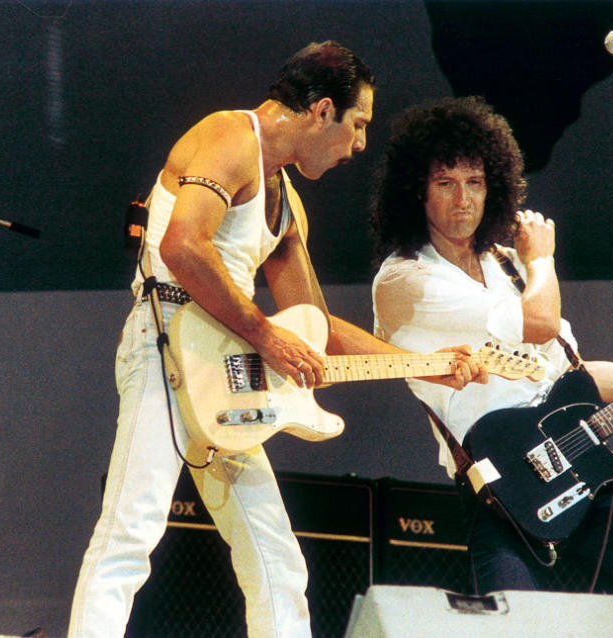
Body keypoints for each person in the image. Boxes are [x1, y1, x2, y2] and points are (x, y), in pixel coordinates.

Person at [68, 43, 482, 638]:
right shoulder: (229, 135)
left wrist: (427, 365)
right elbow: (180, 245)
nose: (360, 145)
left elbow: (312, 324)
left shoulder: (285, 201)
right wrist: (266, 336)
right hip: (163, 345)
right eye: (357, 124)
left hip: (226, 367)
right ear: (321, 111)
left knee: (276, 560)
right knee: (130, 534)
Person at [370, 96, 613, 597]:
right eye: (445, 183)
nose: (463, 198)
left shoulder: (508, 265)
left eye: (475, 182)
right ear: (416, 192)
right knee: (515, 628)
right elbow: (541, 322)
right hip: (501, 491)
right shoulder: (406, 279)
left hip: (579, 474)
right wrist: (544, 259)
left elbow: (575, 378)